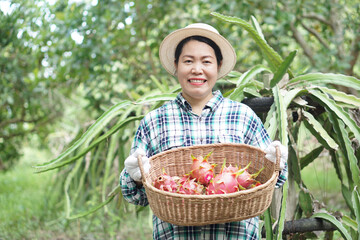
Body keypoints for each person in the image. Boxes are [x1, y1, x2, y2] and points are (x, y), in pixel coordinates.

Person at [120, 23, 288, 240]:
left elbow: (274, 179)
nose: (197, 69)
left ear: (217, 66)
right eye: (188, 61)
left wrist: (276, 161)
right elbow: (136, 196)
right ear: (176, 65)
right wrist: (134, 175)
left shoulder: (243, 117)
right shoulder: (154, 122)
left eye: (206, 61)